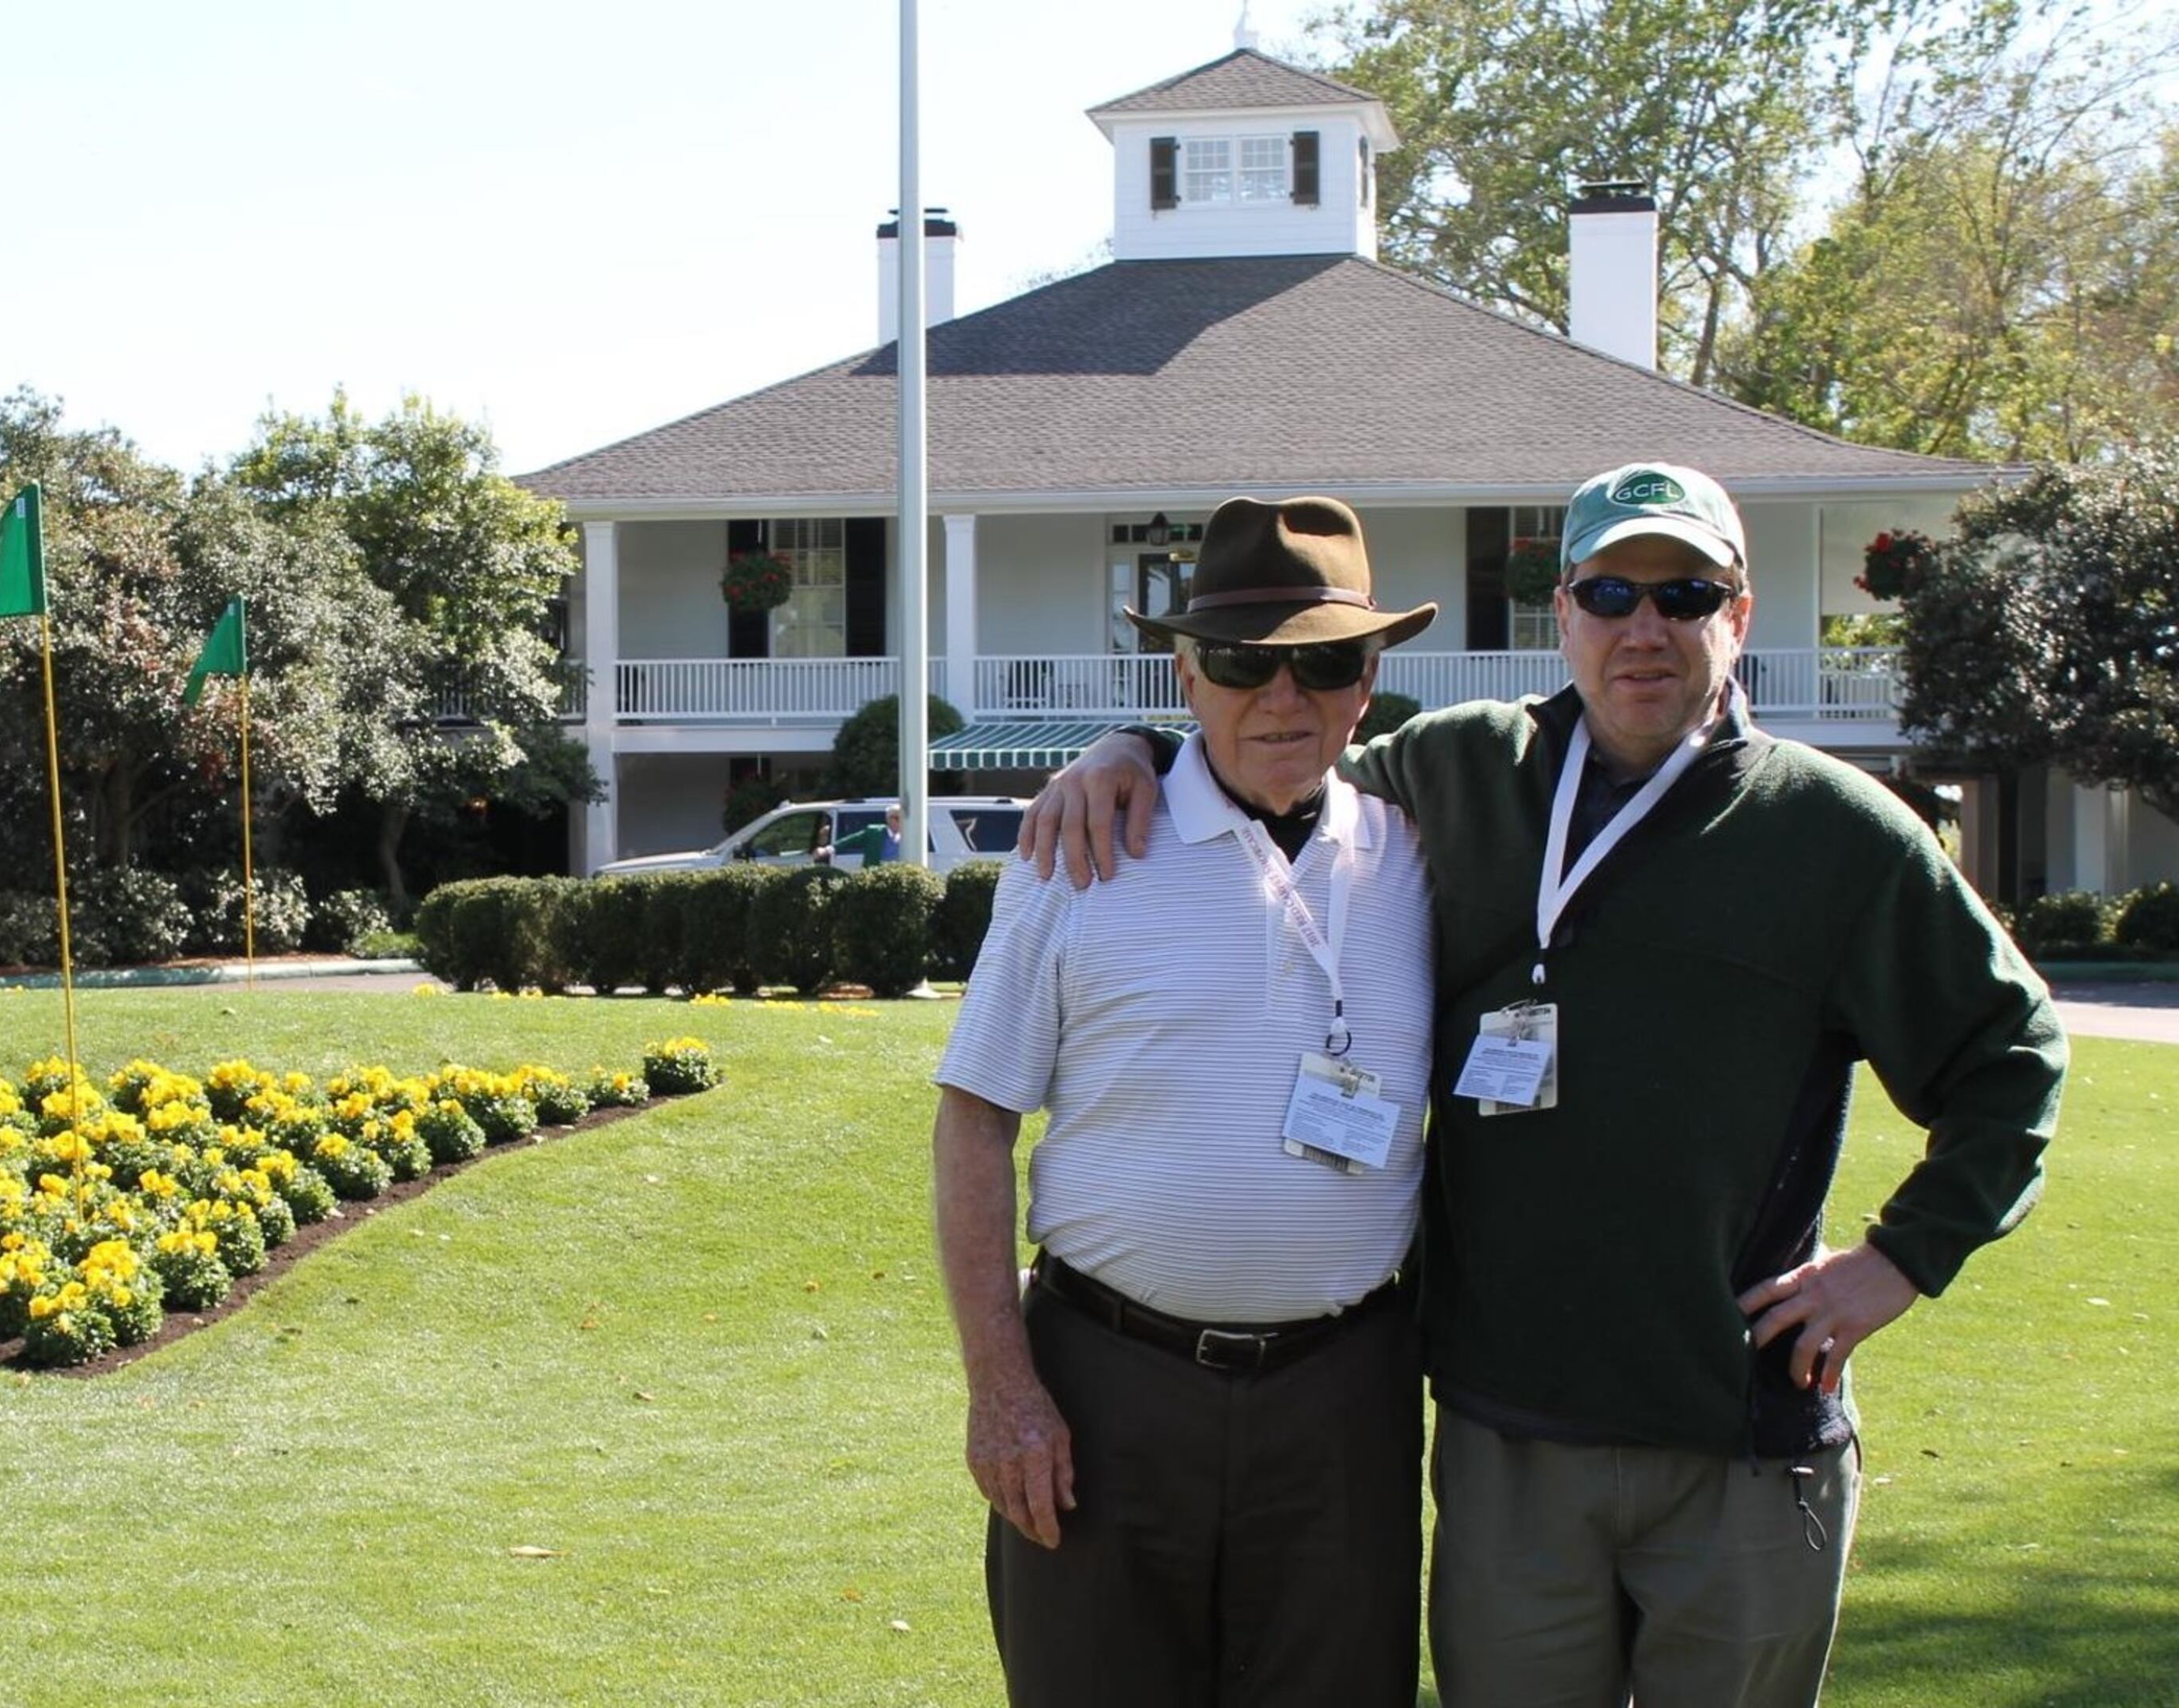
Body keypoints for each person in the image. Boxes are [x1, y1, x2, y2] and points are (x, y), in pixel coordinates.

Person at [1016, 463, 2064, 1707]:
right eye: (1612, 591)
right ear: (1560, 609)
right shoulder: (1460, 774)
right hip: (1508, 1439)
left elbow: (2012, 1058)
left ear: (1739, 612)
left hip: (1735, 1433)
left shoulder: (1837, 834)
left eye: (1686, 594)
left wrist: (1901, 1258)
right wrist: (1127, 745)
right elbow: (1277, 744)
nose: (1645, 628)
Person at [933, 494, 1442, 1704]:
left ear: (1368, 678)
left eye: (1320, 663)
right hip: (1107, 1392)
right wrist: (1003, 1391)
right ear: (1185, 674)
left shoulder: (1426, 849)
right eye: (1240, 662)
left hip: (1346, 1399)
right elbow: (973, 1124)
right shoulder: (1080, 850)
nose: (1282, 698)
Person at [820, 803, 906, 867]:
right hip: (877, 875)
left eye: (903, 818)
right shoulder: (874, 832)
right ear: (888, 819)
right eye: (897, 818)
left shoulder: (909, 835)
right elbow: (850, 841)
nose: (901, 822)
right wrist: (827, 850)